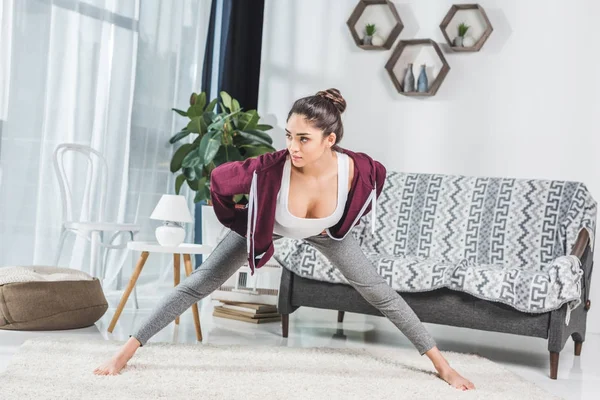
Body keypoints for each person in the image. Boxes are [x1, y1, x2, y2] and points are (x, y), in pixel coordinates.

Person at [94, 88, 475, 391]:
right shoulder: (271, 168)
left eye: (304, 139)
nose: (293, 146)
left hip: (326, 234)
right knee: (199, 283)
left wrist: (340, 226)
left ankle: (443, 366)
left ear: (330, 139)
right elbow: (220, 182)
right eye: (289, 135)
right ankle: (125, 353)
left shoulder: (358, 168)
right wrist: (243, 221)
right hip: (269, 225)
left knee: (379, 292)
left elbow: (376, 182)